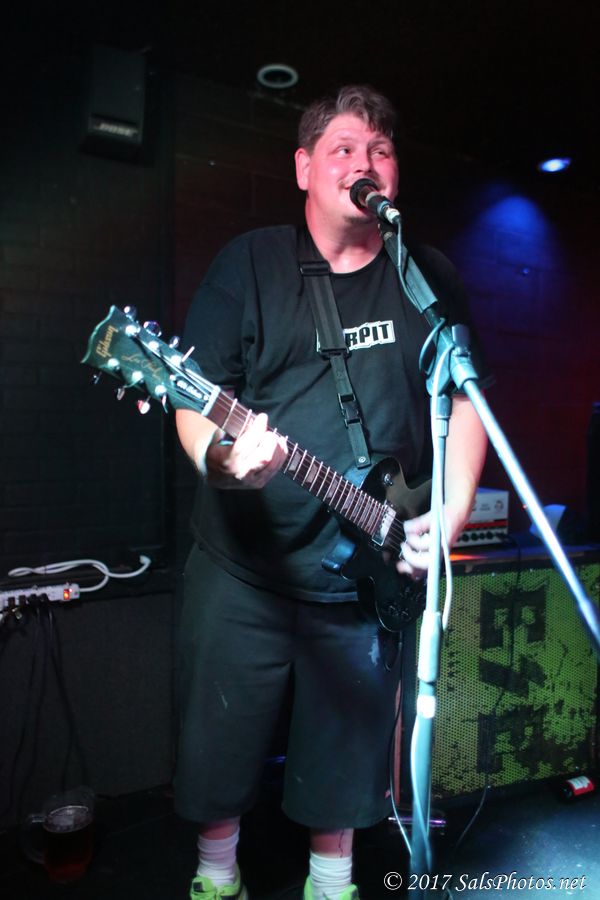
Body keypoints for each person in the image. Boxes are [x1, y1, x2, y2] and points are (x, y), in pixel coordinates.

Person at [173, 85, 489, 900]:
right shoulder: (251, 263)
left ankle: (332, 882)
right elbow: (193, 398)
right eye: (343, 148)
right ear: (304, 168)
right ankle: (216, 877)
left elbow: (466, 405)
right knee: (218, 736)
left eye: (380, 150)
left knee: (347, 750)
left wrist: (450, 515)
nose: (363, 162)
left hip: (369, 572)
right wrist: (224, 460)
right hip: (244, 569)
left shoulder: (427, 277)